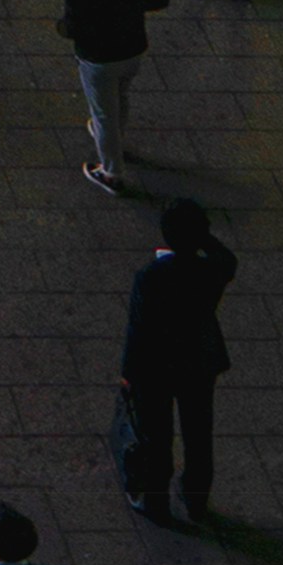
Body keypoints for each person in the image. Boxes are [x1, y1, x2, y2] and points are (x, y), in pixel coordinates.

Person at [118, 203, 235, 525]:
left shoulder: (151, 276)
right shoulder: (215, 269)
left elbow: (138, 329)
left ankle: (156, 502)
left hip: (156, 368)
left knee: (157, 436)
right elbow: (226, 257)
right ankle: (196, 498)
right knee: (199, 433)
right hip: (199, 362)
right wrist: (201, 238)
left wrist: (128, 373)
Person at [60, 0, 173, 192]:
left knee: (103, 112)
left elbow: (74, 21)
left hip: (98, 56)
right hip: (133, 45)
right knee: (120, 96)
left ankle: (112, 172)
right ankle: (115, 136)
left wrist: (65, 28)